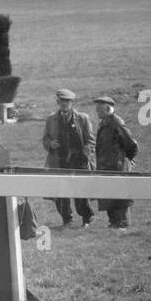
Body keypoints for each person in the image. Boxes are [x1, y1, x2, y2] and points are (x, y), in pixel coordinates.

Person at [41, 88, 96, 226]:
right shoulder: (51, 119)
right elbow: (45, 139)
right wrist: (50, 144)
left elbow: (90, 140)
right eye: (62, 101)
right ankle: (67, 220)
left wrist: (87, 149)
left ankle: (87, 218)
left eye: (67, 101)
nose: (64, 104)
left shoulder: (83, 118)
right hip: (59, 161)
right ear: (57, 102)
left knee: (80, 193)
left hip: (79, 161)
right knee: (60, 193)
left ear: (72, 103)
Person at [93, 96, 139, 228]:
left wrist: (126, 161)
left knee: (120, 197)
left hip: (117, 168)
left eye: (99, 110)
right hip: (106, 168)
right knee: (109, 196)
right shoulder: (105, 123)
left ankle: (122, 224)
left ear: (108, 109)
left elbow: (132, 144)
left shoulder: (116, 122)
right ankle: (114, 223)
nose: (97, 112)